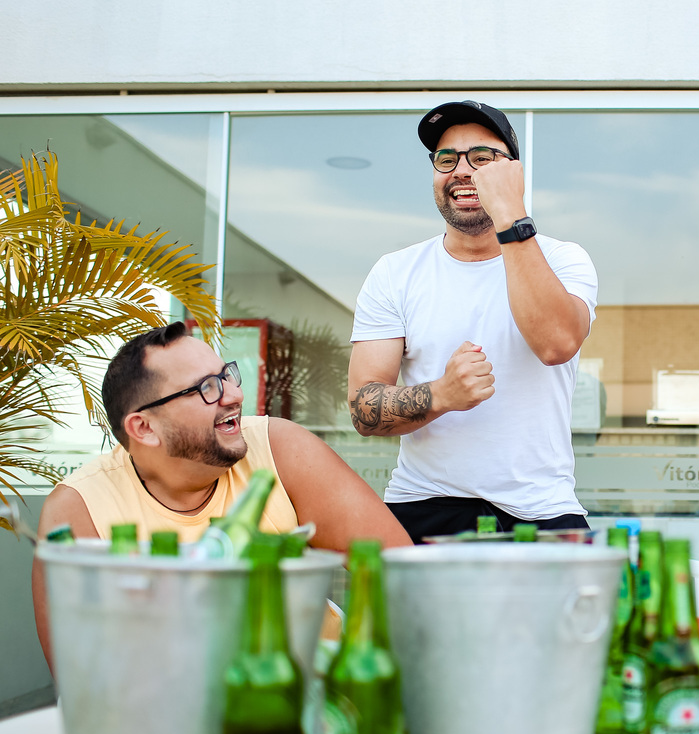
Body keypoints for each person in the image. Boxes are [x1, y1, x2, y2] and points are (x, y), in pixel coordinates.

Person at [33, 321, 413, 665]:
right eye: (207, 388)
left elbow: (403, 575)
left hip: (322, 690)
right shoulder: (79, 508)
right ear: (144, 427)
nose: (234, 394)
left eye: (226, 376)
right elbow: (79, 669)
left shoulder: (279, 448)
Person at [347, 100, 597, 543]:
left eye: (482, 159)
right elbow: (363, 409)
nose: (462, 171)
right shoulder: (395, 272)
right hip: (424, 505)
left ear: (512, 172)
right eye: (447, 160)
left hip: (541, 510)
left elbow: (557, 344)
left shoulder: (563, 259)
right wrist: (442, 394)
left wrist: (510, 216)